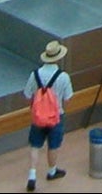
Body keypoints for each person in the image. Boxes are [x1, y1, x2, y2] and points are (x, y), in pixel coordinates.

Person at [23, 40, 73, 192]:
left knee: (35, 145)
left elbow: (27, 95)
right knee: (53, 145)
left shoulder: (35, 74)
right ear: (58, 57)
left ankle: (32, 175)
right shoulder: (63, 77)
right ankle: (52, 171)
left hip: (38, 117)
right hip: (55, 117)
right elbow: (68, 98)